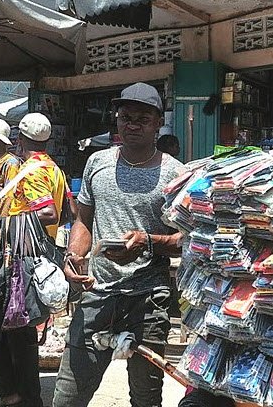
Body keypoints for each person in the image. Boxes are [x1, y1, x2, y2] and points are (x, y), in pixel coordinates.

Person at [55, 83, 184, 407]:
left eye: (143, 118)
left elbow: (189, 239)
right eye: (126, 117)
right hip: (98, 293)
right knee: (68, 397)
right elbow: (83, 220)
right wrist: (73, 256)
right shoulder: (97, 162)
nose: (133, 124)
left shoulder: (175, 174)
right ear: (116, 119)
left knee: (145, 398)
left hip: (149, 299)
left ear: (158, 123)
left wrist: (149, 242)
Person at [0, 113, 67, 407]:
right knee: (21, 328)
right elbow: (66, 210)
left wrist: (2, 217)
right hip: (38, 256)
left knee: (6, 329)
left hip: (20, 259)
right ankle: (23, 395)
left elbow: (49, 213)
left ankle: (19, 396)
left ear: (18, 139)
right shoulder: (54, 169)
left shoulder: (30, 171)